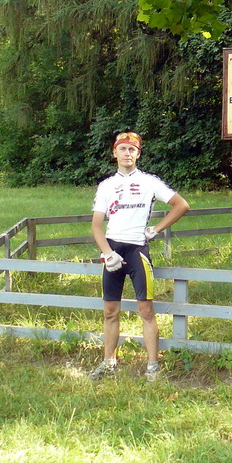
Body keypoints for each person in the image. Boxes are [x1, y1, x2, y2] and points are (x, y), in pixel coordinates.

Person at [90, 130, 189, 382]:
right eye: (122, 149)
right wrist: (107, 253)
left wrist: (156, 229)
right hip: (112, 250)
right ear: (114, 153)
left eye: (132, 149)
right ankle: (109, 363)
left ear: (138, 154)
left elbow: (182, 205)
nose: (127, 153)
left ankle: (152, 366)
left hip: (137, 250)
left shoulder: (149, 182)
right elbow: (96, 226)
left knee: (146, 311)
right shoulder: (106, 185)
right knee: (110, 311)